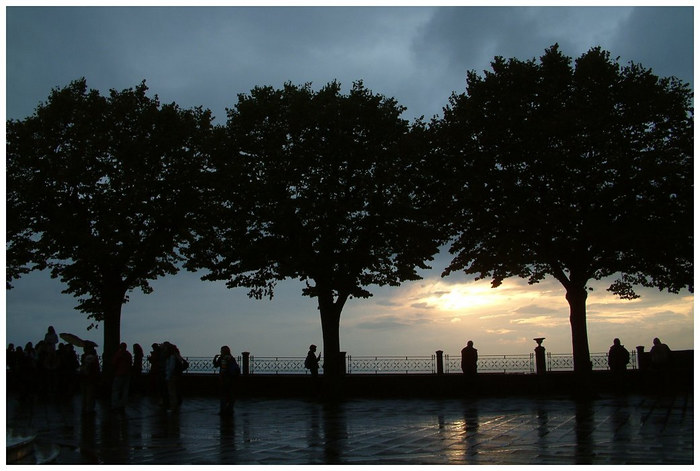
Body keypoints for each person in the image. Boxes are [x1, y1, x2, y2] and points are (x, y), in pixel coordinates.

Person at [213, 346, 239, 416]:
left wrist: (215, 358)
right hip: (232, 380)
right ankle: (230, 409)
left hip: (225, 380)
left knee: (224, 395)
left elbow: (218, 366)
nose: (220, 352)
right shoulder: (231, 358)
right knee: (231, 395)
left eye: (221, 351)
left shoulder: (223, 358)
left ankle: (224, 410)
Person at [80, 344, 100, 415]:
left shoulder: (84, 356)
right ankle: (89, 408)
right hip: (91, 378)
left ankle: (85, 407)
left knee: (85, 394)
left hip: (86, 377)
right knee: (90, 394)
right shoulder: (93, 357)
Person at [111, 342, 132, 411]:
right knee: (125, 390)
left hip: (119, 373)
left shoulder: (118, 354)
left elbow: (114, 363)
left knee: (116, 390)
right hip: (127, 373)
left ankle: (115, 405)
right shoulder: (128, 354)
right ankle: (122, 405)